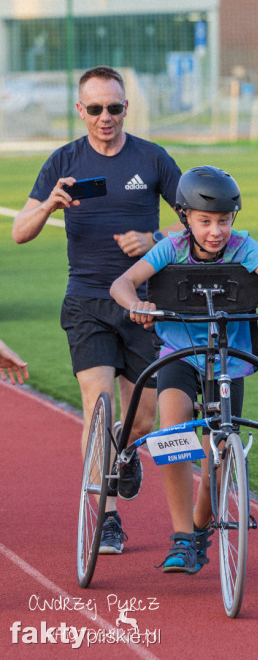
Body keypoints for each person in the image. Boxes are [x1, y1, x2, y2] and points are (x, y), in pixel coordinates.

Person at [12, 65, 182, 553]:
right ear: (79, 110)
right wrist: (50, 205)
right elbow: (19, 232)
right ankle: (106, 515)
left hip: (142, 302)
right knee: (97, 404)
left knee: (145, 417)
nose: (105, 117)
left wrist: (153, 239)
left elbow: (199, 225)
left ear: (126, 108)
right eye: (95, 109)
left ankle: (125, 454)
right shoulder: (63, 160)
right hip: (87, 301)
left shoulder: (152, 159)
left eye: (114, 108)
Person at [110, 165, 258, 574]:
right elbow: (122, 284)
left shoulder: (244, 247)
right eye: (205, 221)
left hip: (228, 362)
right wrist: (138, 304)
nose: (215, 231)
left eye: (223, 221)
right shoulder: (171, 246)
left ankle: (200, 532)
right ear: (185, 217)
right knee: (174, 428)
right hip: (179, 356)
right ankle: (182, 536)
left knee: (217, 452)